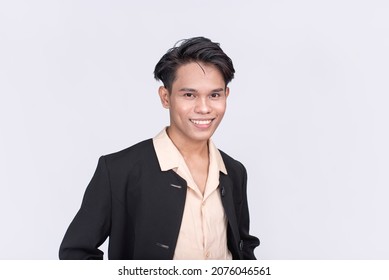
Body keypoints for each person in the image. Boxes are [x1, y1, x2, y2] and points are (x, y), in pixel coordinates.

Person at [59, 36, 259, 260]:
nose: (204, 108)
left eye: (214, 95)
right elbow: (75, 253)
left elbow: (242, 248)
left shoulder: (234, 171)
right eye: (189, 95)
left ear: (226, 96)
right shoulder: (118, 170)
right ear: (166, 97)